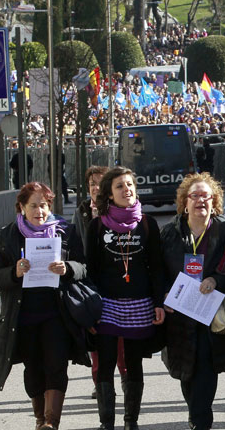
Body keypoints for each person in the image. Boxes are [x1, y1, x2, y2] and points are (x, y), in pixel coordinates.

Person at [0, 182, 89, 430]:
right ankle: (39, 419)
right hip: (22, 316)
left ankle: (51, 422)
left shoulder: (65, 232)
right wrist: (13, 272)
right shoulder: (7, 235)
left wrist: (68, 269)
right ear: (22, 207)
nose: (40, 211)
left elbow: (84, 268)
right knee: (34, 369)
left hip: (57, 313)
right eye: (34, 206)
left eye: (44, 206)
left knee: (56, 364)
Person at [160, 173, 225, 430]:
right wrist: (164, 293)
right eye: (194, 196)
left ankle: (201, 421)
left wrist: (216, 280)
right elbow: (158, 270)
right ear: (184, 202)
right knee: (186, 370)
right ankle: (195, 413)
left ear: (215, 201)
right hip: (179, 312)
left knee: (205, 367)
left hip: (212, 310)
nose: (200, 201)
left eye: (206, 196)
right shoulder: (169, 232)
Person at [86, 166, 166, 430]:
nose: (126, 190)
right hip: (106, 305)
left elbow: (157, 267)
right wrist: (91, 308)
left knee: (133, 364)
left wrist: (158, 302)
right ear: (109, 194)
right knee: (106, 364)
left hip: (140, 304)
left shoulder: (147, 224)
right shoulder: (96, 226)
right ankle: (106, 423)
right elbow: (90, 269)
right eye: (120, 186)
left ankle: (131, 421)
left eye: (130, 184)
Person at [71, 166, 127, 400]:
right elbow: (75, 246)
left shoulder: (119, 211)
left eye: (99, 182)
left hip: (117, 284)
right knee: (96, 336)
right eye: (91, 183)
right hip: (90, 284)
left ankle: (125, 376)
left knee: (122, 340)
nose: (95, 187)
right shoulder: (82, 212)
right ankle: (101, 382)